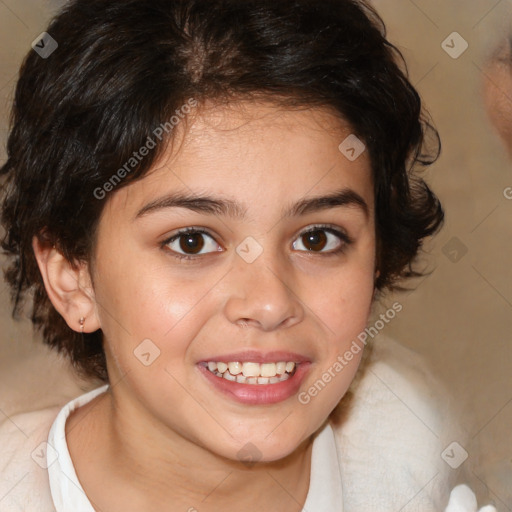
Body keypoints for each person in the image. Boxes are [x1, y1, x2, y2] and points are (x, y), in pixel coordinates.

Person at [0, 0, 496, 510]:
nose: (268, 303)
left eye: (317, 238)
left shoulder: (418, 453)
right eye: (191, 242)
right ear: (72, 276)